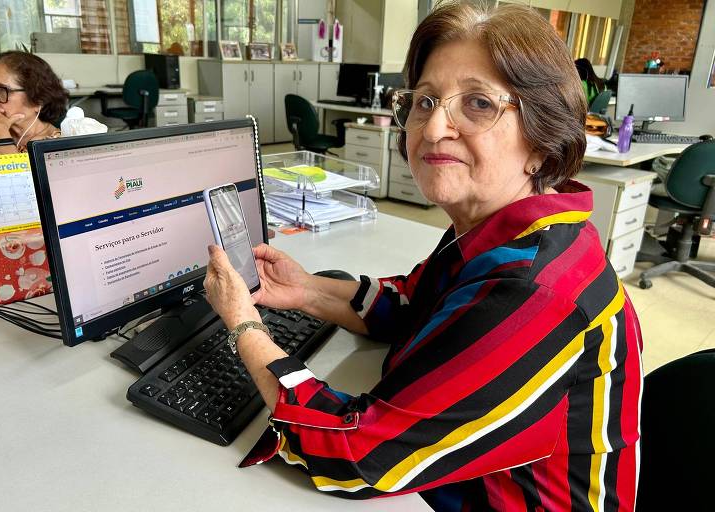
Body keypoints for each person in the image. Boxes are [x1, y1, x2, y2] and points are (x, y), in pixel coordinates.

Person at [204, 2, 643, 510]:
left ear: (542, 140)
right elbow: (417, 305)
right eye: (425, 101)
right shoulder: (502, 227)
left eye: (478, 103)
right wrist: (308, 290)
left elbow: (357, 456)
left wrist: (243, 323)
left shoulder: (535, 286)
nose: (434, 129)